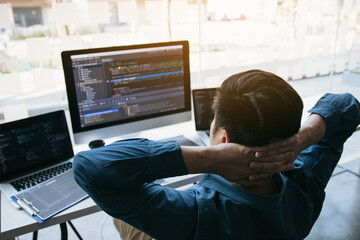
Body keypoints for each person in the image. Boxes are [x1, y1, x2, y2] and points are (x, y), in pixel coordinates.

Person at [73, 70, 360, 239]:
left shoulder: (195, 214)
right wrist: (300, 141)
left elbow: (88, 167)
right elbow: (346, 105)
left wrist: (209, 158)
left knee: (123, 213)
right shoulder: (305, 181)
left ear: (223, 139)